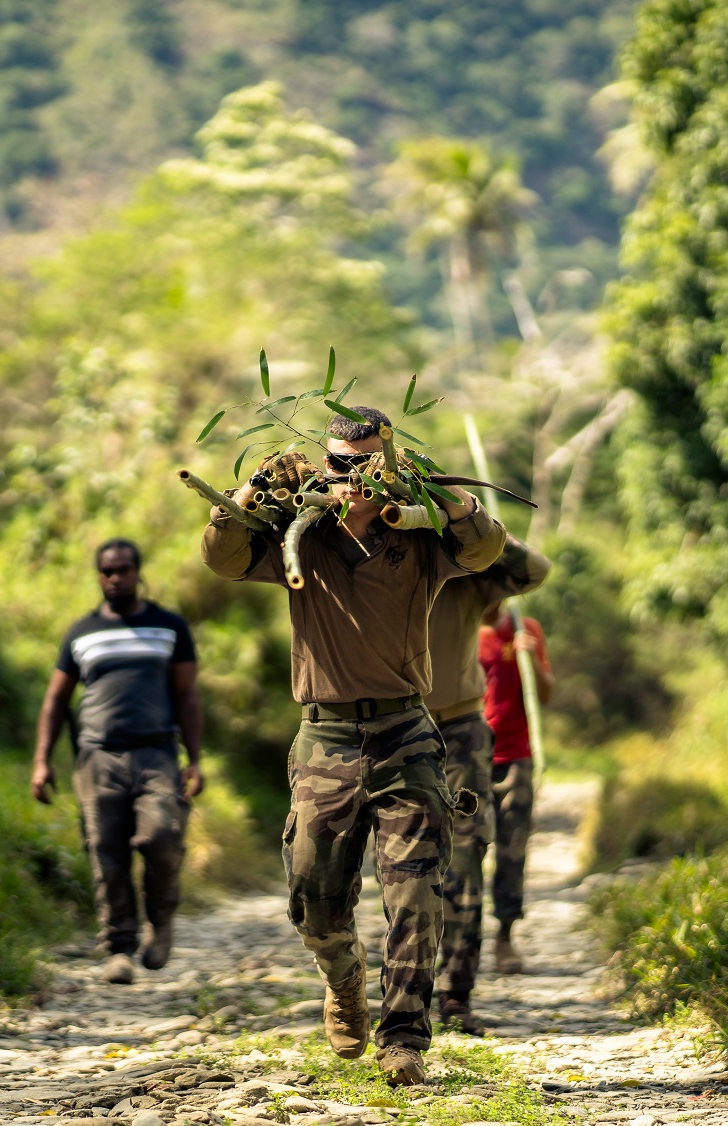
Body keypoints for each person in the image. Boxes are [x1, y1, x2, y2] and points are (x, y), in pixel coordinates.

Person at [201, 406, 504, 1086]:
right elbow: (220, 556)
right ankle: (343, 978)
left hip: (406, 734)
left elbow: (484, 547)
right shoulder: (297, 539)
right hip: (326, 737)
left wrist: (433, 489)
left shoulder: (421, 538)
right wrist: (257, 484)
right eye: (343, 465)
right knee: (313, 892)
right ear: (324, 466)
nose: (357, 478)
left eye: (371, 462)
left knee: (417, 894)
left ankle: (405, 1040)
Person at [32, 538, 205, 985]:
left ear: (138, 572)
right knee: (106, 854)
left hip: (157, 754)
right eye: (107, 571)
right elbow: (56, 700)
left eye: (124, 569)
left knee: (162, 839)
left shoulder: (169, 627)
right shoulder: (81, 632)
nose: (116, 577)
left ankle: (161, 922)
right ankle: (119, 948)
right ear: (99, 576)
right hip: (97, 757)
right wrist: (42, 762)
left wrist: (195, 760)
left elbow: (187, 696)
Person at [425, 533, 550, 1031]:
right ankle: (407, 988)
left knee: (490, 851)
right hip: (418, 736)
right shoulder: (466, 624)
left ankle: (473, 969)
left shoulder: (515, 618)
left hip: (498, 750)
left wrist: (475, 522)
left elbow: (531, 570)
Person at [479, 600, 552, 975]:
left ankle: (505, 936)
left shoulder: (527, 629)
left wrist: (533, 659)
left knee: (513, 847)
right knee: (465, 850)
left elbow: (546, 693)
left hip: (517, 756)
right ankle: (462, 941)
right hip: (470, 755)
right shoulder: (462, 630)